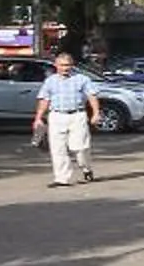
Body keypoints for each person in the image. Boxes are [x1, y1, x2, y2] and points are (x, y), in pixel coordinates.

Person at [30, 49, 103, 187]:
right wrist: (38, 118)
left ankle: (86, 169)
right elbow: (44, 99)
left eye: (68, 65)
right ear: (56, 66)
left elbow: (92, 96)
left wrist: (96, 113)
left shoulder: (82, 79)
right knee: (58, 149)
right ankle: (61, 178)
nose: (65, 68)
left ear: (72, 65)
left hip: (77, 115)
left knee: (80, 148)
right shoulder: (50, 81)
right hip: (57, 116)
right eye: (62, 65)